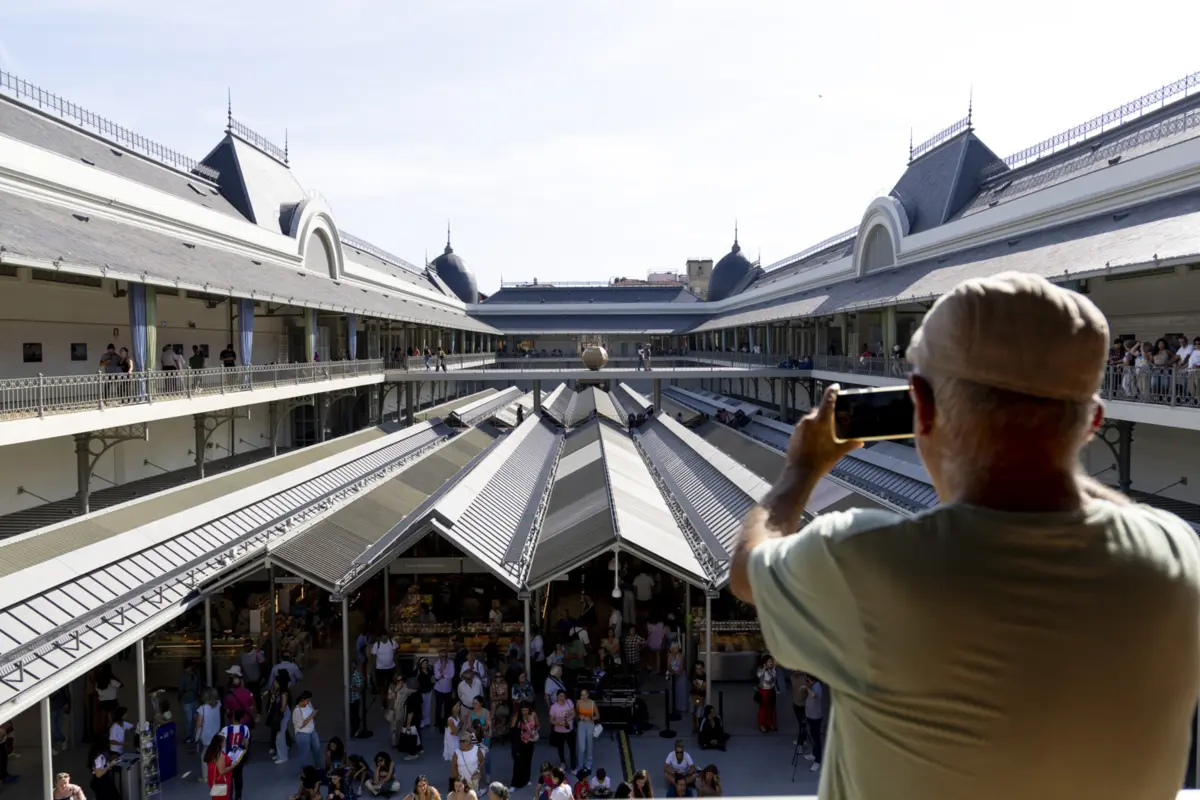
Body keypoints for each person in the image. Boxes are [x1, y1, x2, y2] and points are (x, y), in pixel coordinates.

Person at [729, 271, 1200, 800]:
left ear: (921, 408)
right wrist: (1056, 457)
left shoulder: (871, 563)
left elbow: (748, 569)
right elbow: (1118, 517)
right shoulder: (1177, 559)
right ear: (1093, 422)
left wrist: (801, 467)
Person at [511, 703, 539, 790]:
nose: (524, 712)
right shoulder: (517, 716)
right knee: (518, 762)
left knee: (528, 760)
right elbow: (512, 726)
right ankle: (514, 784)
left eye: (526, 710)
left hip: (530, 741)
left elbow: (538, 725)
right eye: (523, 710)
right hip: (519, 742)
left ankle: (527, 779)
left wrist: (534, 732)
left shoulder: (533, 714)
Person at [548, 689, 577, 772]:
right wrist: (560, 723)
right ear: (557, 697)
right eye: (560, 696)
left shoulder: (569, 702)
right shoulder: (554, 707)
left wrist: (568, 720)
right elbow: (551, 720)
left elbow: (573, 713)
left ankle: (573, 766)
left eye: (563, 696)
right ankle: (563, 763)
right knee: (560, 748)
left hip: (569, 730)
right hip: (559, 731)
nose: (562, 697)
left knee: (572, 748)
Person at [291, 691, 322, 769]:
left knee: (317, 750)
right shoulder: (297, 710)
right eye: (307, 700)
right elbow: (300, 725)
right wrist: (312, 716)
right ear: (302, 699)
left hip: (312, 731)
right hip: (303, 734)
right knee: (304, 754)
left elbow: (312, 712)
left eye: (310, 700)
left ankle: (319, 768)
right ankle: (305, 772)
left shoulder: (309, 704)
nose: (309, 702)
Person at [204, 732, 236, 798]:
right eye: (224, 741)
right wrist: (233, 765)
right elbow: (222, 771)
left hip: (213, 780)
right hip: (221, 781)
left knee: (216, 797)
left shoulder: (211, 751)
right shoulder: (220, 755)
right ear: (220, 743)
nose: (225, 743)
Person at [575, 689, 600, 772]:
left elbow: (598, 716)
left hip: (590, 725)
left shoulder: (592, 703)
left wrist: (591, 718)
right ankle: (580, 765)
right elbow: (576, 714)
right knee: (581, 747)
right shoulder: (578, 703)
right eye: (582, 695)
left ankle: (588, 763)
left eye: (585, 694)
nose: (584, 696)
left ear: (588, 695)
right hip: (581, 725)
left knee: (590, 745)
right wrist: (579, 716)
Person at [753, 655, 777, 732]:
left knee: (771, 708)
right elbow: (758, 675)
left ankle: (770, 723)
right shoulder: (761, 669)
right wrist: (764, 668)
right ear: (765, 662)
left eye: (771, 661)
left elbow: (774, 678)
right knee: (763, 709)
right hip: (764, 691)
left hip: (771, 690)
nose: (771, 663)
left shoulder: (772, 669)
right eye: (769, 661)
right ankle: (762, 724)